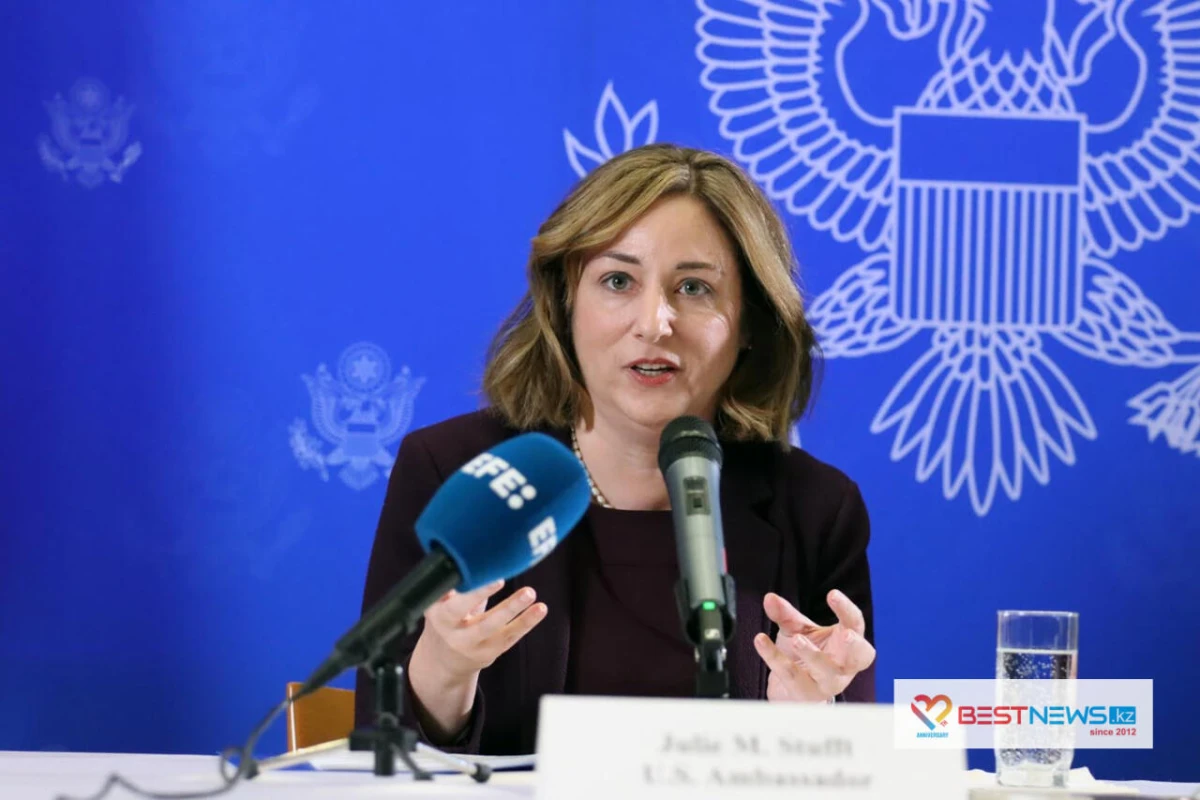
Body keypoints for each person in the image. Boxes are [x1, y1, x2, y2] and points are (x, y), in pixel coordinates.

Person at [353, 143, 876, 755]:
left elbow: (851, 766)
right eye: (618, 281)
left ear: (751, 323)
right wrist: (443, 669)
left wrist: (805, 723)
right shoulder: (456, 473)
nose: (654, 322)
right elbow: (380, 754)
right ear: (564, 304)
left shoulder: (815, 510)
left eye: (694, 287)